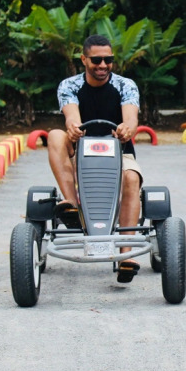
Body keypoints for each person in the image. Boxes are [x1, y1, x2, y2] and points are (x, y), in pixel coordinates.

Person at [47, 34, 143, 283]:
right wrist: (73, 128)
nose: (103, 65)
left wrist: (127, 129)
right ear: (84, 59)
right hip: (82, 154)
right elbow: (71, 116)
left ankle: (126, 254)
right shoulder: (70, 85)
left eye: (108, 60)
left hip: (119, 152)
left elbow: (131, 119)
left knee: (132, 178)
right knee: (55, 135)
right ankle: (71, 202)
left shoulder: (125, 85)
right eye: (96, 60)